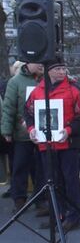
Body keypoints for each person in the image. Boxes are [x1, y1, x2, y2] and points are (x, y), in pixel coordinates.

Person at [25, 57, 80, 231]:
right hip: (47, 145)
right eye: (58, 69)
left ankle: (73, 217)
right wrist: (31, 128)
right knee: (53, 181)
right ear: (49, 71)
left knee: (70, 182)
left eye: (63, 69)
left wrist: (68, 131)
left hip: (68, 144)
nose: (62, 72)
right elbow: (28, 112)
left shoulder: (75, 90)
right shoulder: (38, 91)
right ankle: (57, 215)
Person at [1, 62, 44, 215]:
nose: (41, 65)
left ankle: (41, 200)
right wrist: (6, 130)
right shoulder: (15, 82)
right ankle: (19, 199)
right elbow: (8, 107)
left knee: (41, 168)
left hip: (42, 135)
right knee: (19, 167)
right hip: (22, 135)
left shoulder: (46, 79)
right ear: (28, 64)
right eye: (37, 63)